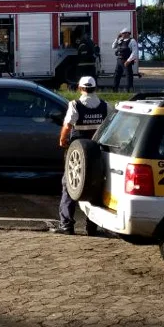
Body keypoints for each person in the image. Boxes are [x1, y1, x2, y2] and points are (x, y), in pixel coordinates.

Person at [51, 77, 109, 236]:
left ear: (79, 88)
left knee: (69, 185)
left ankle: (66, 225)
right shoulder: (105, 106)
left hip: (77, 155)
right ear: (95, 88)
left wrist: (62, 139)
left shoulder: (75, 105)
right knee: (95, 188)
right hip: (97, 154)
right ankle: (92, 227)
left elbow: (67, 125)